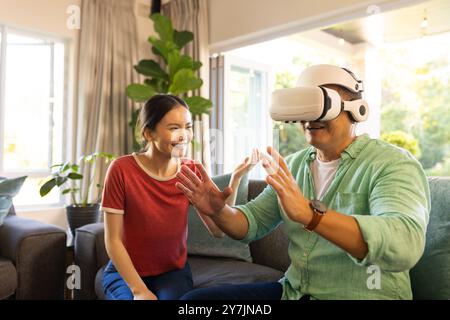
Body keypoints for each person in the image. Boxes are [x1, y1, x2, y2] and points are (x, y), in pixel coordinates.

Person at [176, 65, 430, 300]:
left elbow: (404, 244)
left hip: (360, 294)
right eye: (304, 107)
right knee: (195, 303)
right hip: (294, 292)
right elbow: (248, 224)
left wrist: (311, 216)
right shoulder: (295, 165)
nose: (310, 117)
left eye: (321, 105)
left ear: (357, 110)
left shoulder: (390, 163)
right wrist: (218, 211)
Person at [101, 94, 259, 300]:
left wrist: (236, 180)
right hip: (125, 273)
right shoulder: (121, 169)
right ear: (149, 133)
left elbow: (218, 231)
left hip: (172, 273)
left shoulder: (190, 171)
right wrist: (139, 291)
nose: (184, 135)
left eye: (188, 126)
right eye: (174, 128)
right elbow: (112, 240)